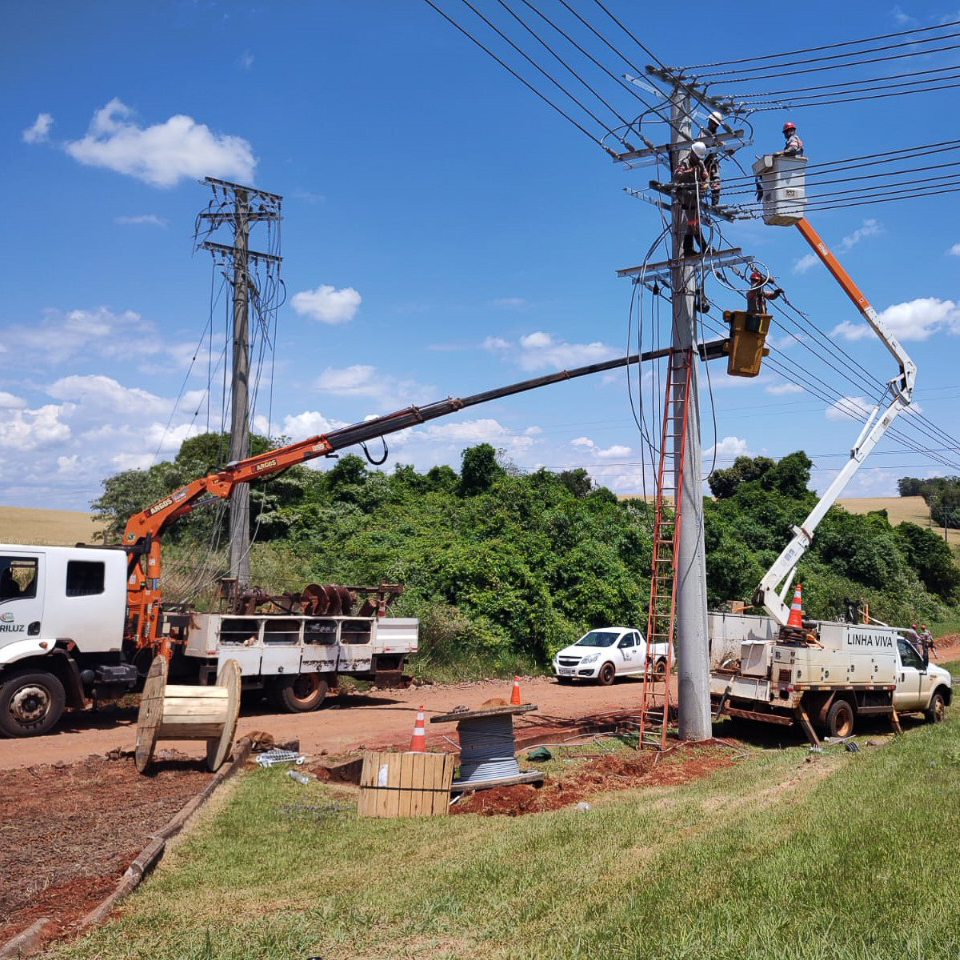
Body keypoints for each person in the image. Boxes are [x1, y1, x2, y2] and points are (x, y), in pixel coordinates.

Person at [675, 141, 710, 256]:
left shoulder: (700, 163)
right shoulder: (684, 162)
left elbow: (706, 176)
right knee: (693, 223)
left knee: (692, 223)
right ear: (692, 153)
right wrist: (689, 171)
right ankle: (704, 247)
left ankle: (688, 249)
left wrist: (706, 183)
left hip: (694, 196)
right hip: (685, 195)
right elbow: (677, 175)